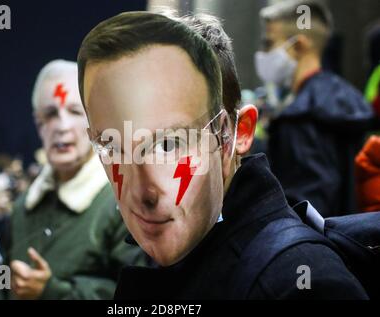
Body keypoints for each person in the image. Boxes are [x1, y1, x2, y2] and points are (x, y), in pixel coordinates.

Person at [77, 11, 368, 299]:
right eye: (112, 146)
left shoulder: (296, 283)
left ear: (238, 133)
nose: (141, 194)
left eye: (169, 144)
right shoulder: (186, 256)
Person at [6, 60, 144, 300]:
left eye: (75, 111)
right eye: (50, 114)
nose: (62, 126)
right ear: (38, 123)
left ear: (95, 120)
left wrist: (50, 292)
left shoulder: (124, 201)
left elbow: (137, 298)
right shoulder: (22, 207)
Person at [255, 0, 374, 217]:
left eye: (269, 43)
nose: (263, 53)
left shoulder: (300, 118)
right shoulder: (347, 99)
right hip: (353, 242)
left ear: (298, 46)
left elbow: (308, 211)